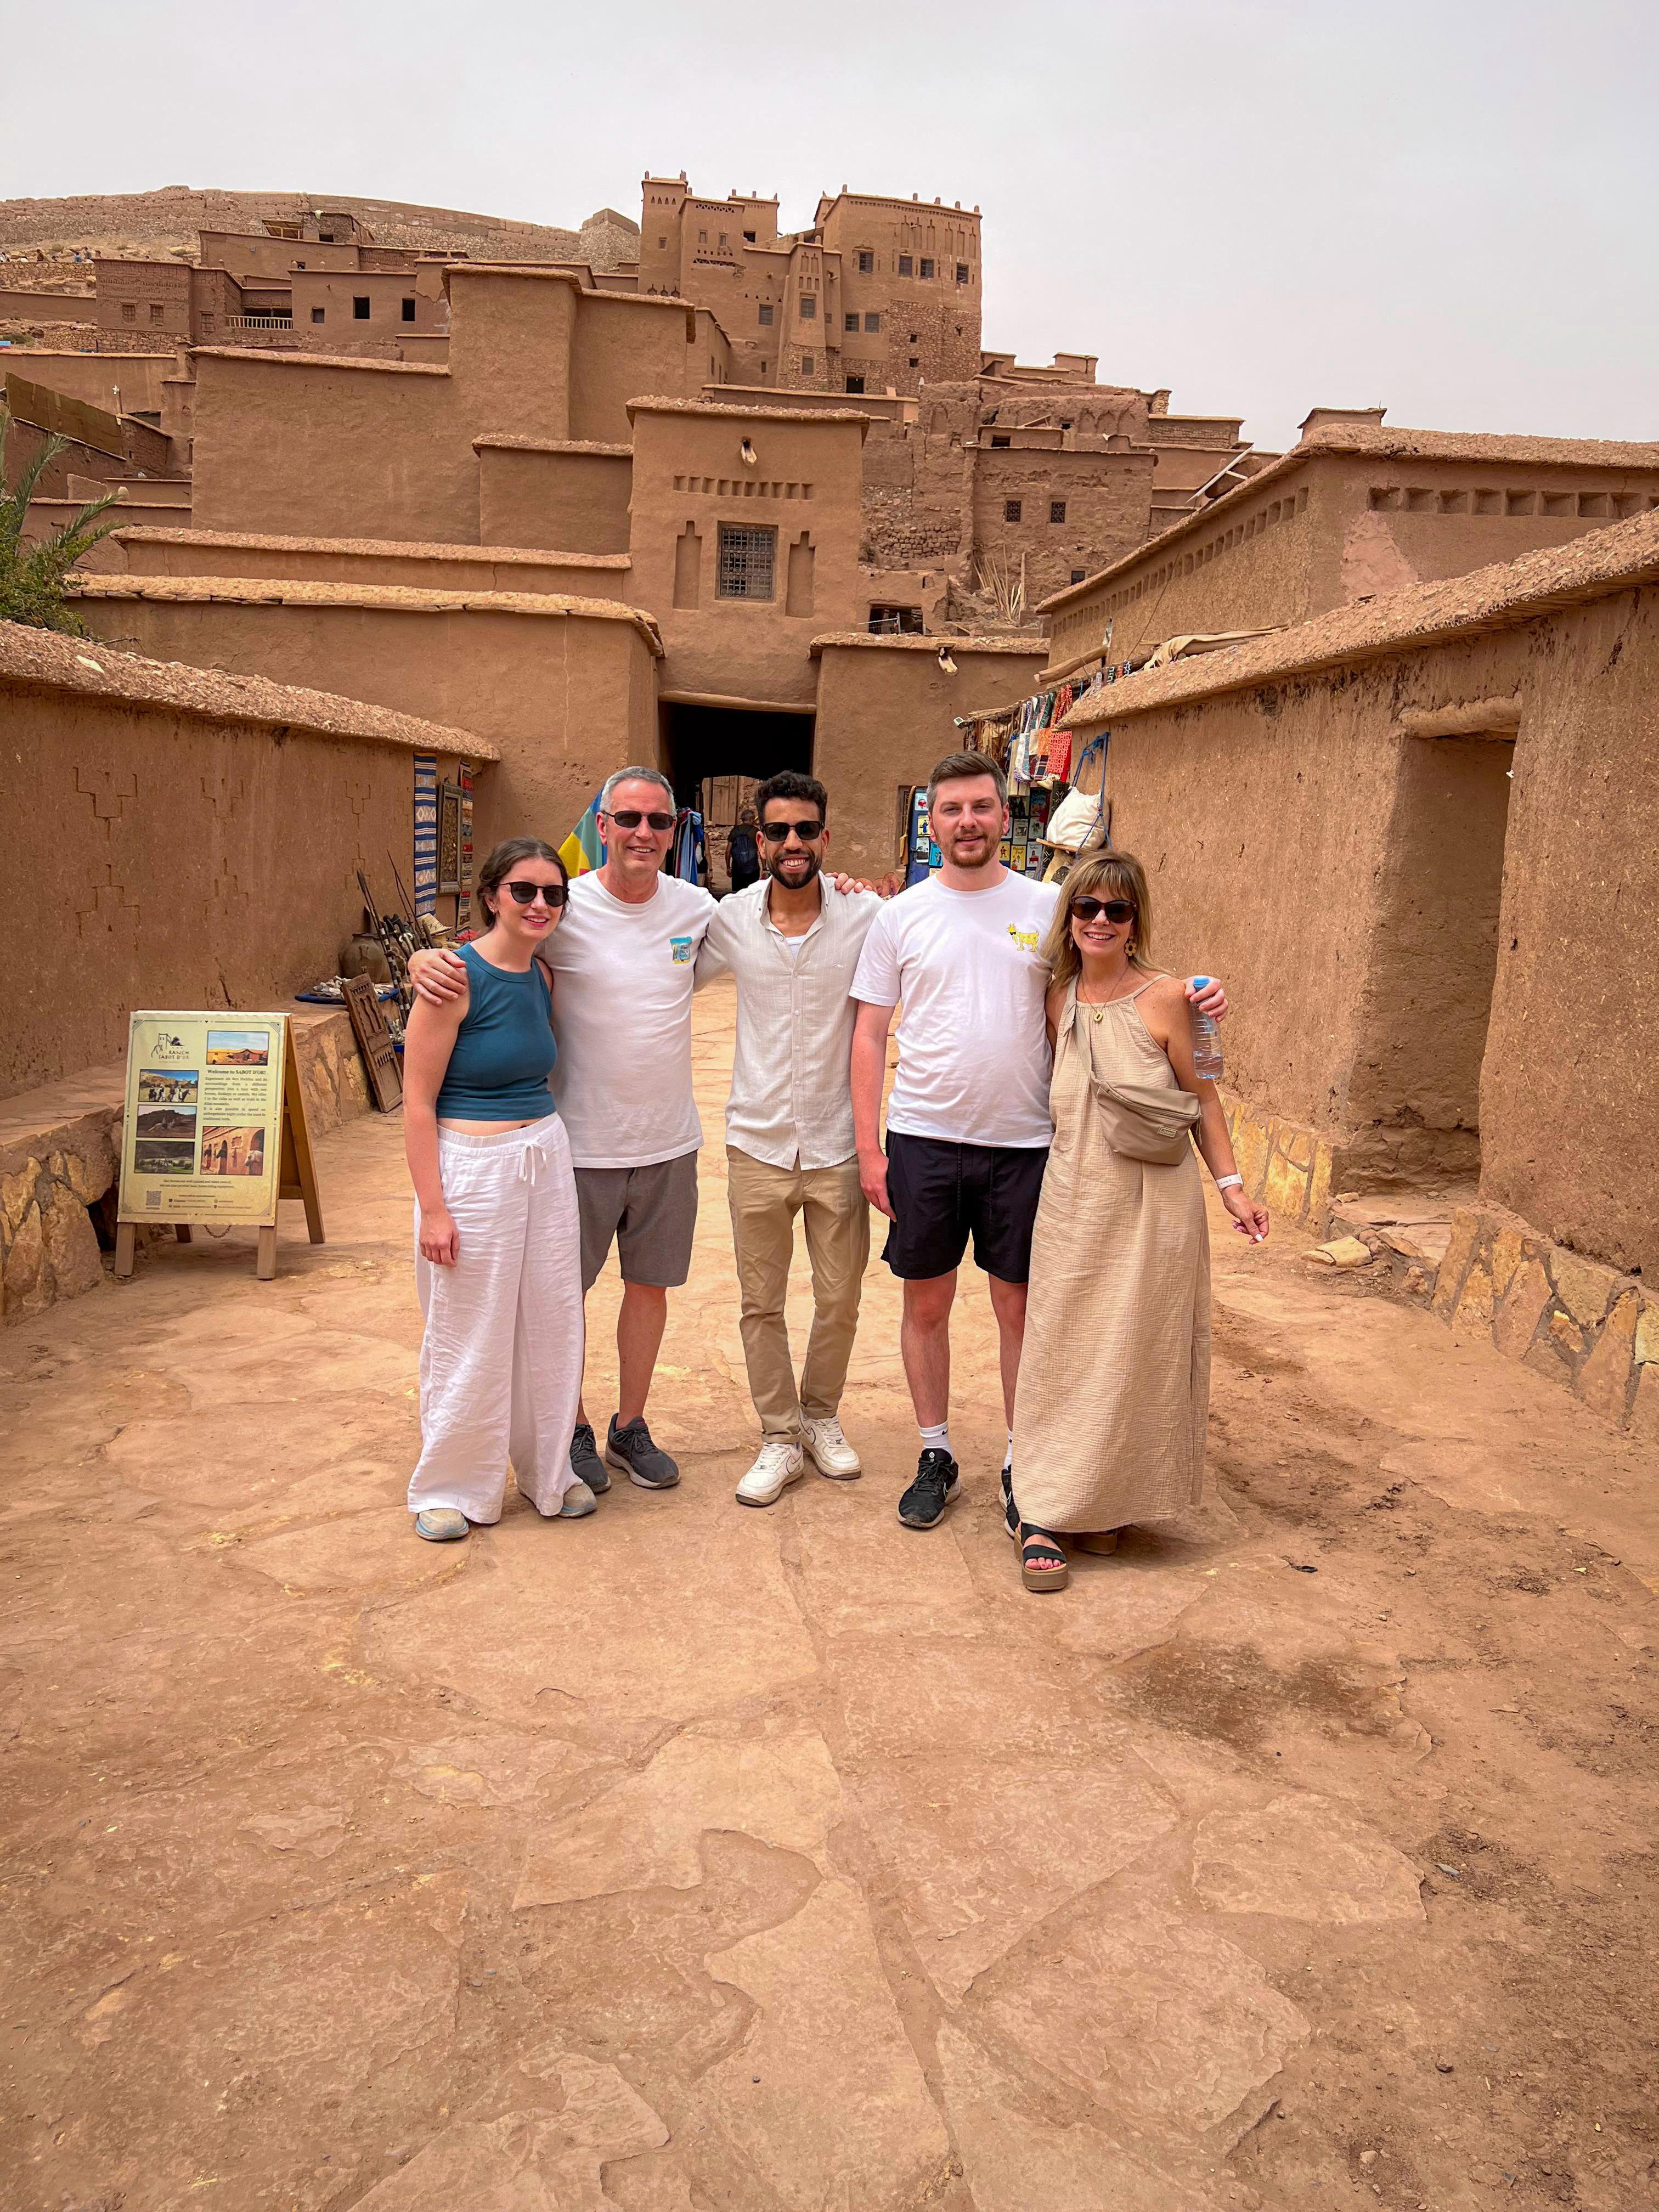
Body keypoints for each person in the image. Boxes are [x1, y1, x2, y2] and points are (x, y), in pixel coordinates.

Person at [850, 750, 1228, 1533]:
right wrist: (870, 1148)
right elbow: (869, 1033)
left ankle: (1029, 1460)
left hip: (1026, 1146)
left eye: (981, 807)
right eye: (950, 810)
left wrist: (1196, 992)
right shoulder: (901, 917)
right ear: (933, 819)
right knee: (927, 1302)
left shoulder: (1051, 905)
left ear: (1001, 813)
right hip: (922, 1135)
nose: (967, 822)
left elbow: (1113, 974)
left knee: (1023, 1307)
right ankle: (936, 1453)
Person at [410, 769, 713, 1494]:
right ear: (601, 826)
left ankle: (629, 1427)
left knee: (650, 1289)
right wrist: (428, 959)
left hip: (669, 1142)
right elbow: (492, 951)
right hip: (573, 1148)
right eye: (629, 818)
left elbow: (778, 920)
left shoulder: (699, 908)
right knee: (556, 1299)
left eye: (659, 821)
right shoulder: (566, 911)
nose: (644, 833)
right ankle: (568, 1427)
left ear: (675, 832)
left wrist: (852, 892)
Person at [1008, 851, 1268, 1590]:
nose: (1099, 921)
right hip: (1072, 1200)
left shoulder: (1170, 999)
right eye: (1086, 907)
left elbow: (1206, 1100)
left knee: (1137, 1350)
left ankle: (1107, 1502)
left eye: (1115, 910)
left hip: (1154, 1204)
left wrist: (1234, 1188)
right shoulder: (1055, 996)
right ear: (1070, 917)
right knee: (1064, 1346)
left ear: (1135, 921)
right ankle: (1045, 1508)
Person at [700, 770, 883, 1505]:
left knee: (841, 1299)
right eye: (777, 830)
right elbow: (661, 975)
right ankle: (779, 1435)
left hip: (838, 1143)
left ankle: (820, 1415)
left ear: (825, 837)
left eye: (806, 829)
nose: (793, 843)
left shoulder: (867, 919)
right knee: (761, 1303)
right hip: (758, 1143)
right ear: (758, 840)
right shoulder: (731, 921)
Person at [402, 837, 589, 1543]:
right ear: (491, 896)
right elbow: (417, 1103)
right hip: (473, 1169)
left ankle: (549, 1473)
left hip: (543, 1157)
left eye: (553, 893)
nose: (540, 904)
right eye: (524, 891)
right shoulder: (454, 978)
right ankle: (450, 1485)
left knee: (549, 1321)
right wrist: (435, 1208)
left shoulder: (542, 979)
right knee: (469, 1329)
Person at [726, 805, 761, 895]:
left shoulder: (735, 831)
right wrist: (764, 868)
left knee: (737, 894)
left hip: (737, 869)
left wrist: (728, 867)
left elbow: (728, 851)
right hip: (753, 870)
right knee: (752, 895)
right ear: (751, 820)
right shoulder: (755, 831)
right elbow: (762, 851)